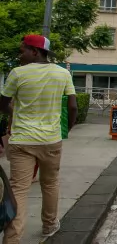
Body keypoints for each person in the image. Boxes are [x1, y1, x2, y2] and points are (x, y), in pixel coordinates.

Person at [0, 35, 78, 242]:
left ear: (35, 51)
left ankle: (12, 239)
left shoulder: (17, 74)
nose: (20, 54)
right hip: (51, 140)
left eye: (22, 50)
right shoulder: (63, 74)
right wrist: (66, 130)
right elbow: (72, 107)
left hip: (22, 141)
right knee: (50, 183)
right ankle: (49, 225)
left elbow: (3, 104)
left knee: (18, 189)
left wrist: (14, 114)